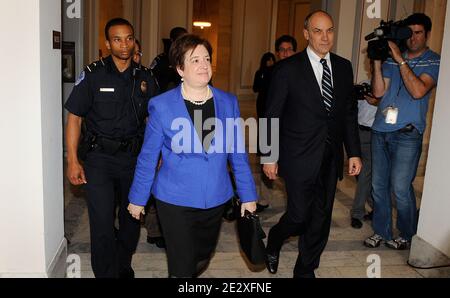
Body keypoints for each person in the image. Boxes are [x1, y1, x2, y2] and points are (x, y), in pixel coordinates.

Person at [127, 34, 258, 278]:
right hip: (174, 199)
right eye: (195, 60)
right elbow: (148, 157)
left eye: (207, 59)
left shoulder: (228, 102)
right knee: (182, 265)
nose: (203, 65)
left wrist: (248, 196)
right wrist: (138, 197)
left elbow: (237, 154)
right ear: (180, 68)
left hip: (215, 198)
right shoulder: (162, 105)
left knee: (202, 257)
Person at [263, 10, 362, 278]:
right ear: (306, 34)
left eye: (329, 30)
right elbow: (270, 115)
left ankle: (305, 268)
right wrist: (269, 156)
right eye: (318, 31)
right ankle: (275, 238)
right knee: (298, 216)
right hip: (297, 157)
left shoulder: (343, 67)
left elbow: (348, 113)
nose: (325, 37)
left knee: (321, 218)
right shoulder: (287, 69)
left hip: (330, 158)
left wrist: (353, 152)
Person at [65, 18, 158, 278]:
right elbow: (74, 117)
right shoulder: (93, 74)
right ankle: (105, 274)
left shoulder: (146, 77)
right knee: (102, 222)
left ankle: (122, 264)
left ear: (134, 40)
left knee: (132, 218)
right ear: (107, 43)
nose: (124, 44)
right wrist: (73, 160)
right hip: (99, 160)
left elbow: (154, 121)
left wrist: (157, 155)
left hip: (133, 159)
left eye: (128, 38)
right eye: (117, 39)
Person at [364, 13, 440, 250]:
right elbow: (378, 93)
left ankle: (407, 234)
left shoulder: (434, 61)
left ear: (426, 34)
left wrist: (399, 59)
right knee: (378, 186)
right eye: (410, 33)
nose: (413, 38)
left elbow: (418, 91)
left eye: (418, 33)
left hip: (407, 134)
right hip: (380, 130)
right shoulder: (389, 61)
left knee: (400, 187)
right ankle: (381, 231)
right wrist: (377, 60)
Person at [254, 35, 298, 213]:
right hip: (269, 126)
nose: (286, 53)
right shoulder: (271, 73)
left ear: (295, 51)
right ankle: (263, 199)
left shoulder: (302, 72)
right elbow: (264, 103)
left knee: (291, 172)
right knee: (266, 164)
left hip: (292, 132)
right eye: (282, 50)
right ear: (277, 53)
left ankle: (293, 205)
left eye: (289, 49)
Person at [132, 39, 166, 248]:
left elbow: (156, 115)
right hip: (122, 147)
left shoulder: (149, 77)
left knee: (153, 187)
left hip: (147, 142)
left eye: (137, 54)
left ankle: (154, 229)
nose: (134, 57)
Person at [350, 82, 379, 229]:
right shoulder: (364, 87)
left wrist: (378, 101)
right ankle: (375, 208)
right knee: (359, 175)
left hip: (372, 135)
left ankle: (357, 213)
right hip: (356, 133)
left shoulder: (385, 89)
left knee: (364, 176)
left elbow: (391, 111)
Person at [150, 27, 188, 92]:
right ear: (172, 41)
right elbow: (151, 82)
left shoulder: (189, 59)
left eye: (186, 40)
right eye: (180, 40)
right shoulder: (161, 60)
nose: (184, 44)